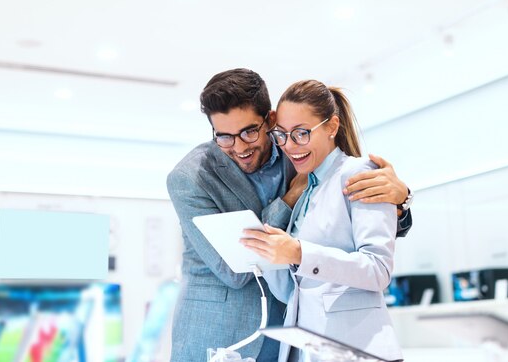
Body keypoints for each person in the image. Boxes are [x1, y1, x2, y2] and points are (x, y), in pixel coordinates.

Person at [166, 69, 411, 362]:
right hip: (219, 333)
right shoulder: (189, 178)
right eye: (224, 137)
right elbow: (233, 270)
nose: (240, 147)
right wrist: (289, 199)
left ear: (269, 121)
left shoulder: (297, 149)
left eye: (248, 132)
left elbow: (352, 224)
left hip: (292, 335)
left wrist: (402, 200)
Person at [242, 79, 403, 361]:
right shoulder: (305, 189)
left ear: (331, 127)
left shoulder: (359, 174)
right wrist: (265, 255)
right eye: (282, 135)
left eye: (301, 133)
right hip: (304, 348)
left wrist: (299, 252)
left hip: (354, 349)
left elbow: (378, 270)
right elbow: (292, 289)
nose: (290, 146)